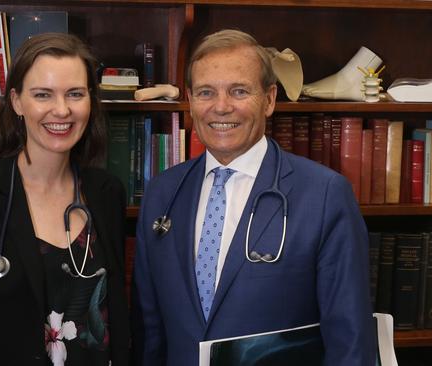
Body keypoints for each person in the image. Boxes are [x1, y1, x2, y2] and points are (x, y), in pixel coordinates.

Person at [132, 29, 375, 365]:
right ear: (190, 100)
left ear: (270, 99)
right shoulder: (162, 193)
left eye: (239, 91)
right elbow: (150, 334)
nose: (221, 107)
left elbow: (351, 343)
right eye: (206, 92)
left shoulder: (324, 196)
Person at [0, 33, 130, 366]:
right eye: (43, 94)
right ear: (17, 102)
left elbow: (115, 317)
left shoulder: (106, 193)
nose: (62, 109)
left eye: (75, 94)